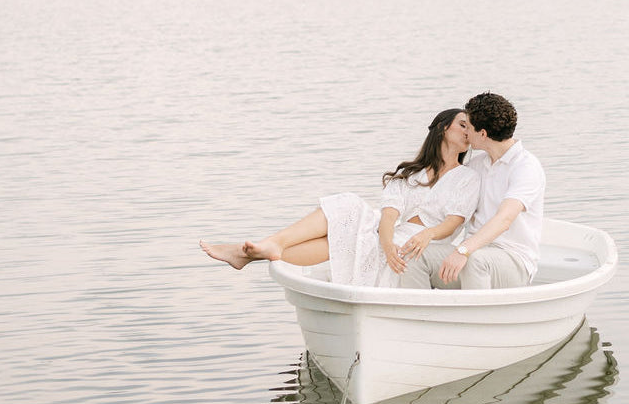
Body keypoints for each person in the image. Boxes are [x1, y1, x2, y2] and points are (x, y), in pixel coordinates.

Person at [199, 108, 480, 287]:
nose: (468, 133)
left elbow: (453, 223)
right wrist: (386, 242)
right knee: (349, 210)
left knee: (341, 242)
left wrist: (427, 235)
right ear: (444, 128)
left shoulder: (468, 177)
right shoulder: (412, 172)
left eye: (471, 128)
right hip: (387, 234)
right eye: (463, 125)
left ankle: (253, 251)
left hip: (418, 245)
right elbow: (390, 214)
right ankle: (266, 247)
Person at [399, 91, 545, 290]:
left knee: (475, 261)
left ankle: (478, 321)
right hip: (472, 253)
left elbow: (504, 220)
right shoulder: (476, 165)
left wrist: (463, 250)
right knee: (415, 256)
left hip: (513, 261)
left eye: (468, 127)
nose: (465, 133)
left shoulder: (525, 167)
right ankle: (419, 317)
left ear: (482, 134)